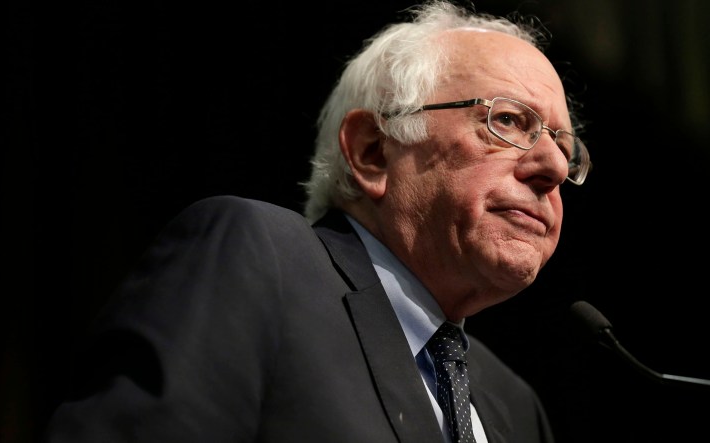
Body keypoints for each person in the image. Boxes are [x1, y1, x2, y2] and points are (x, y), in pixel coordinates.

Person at [45, 1, 591, 442]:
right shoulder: (257, 262)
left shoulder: (515, 406)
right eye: (509, 122)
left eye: (564, 147)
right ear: (373, 151)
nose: (551, 166)